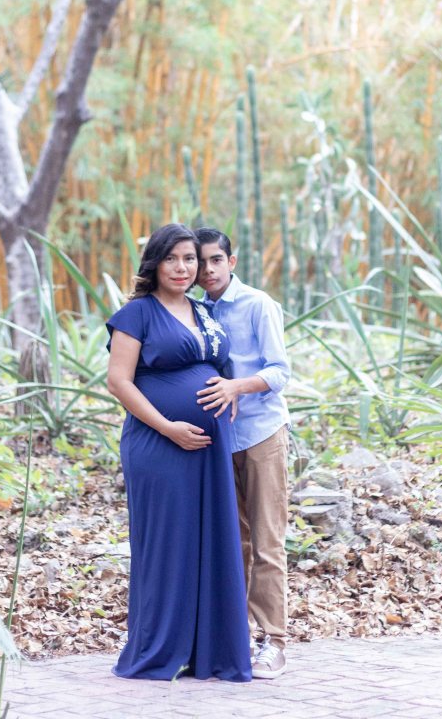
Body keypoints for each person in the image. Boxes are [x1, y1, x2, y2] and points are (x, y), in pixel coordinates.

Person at [106, 223, 251, 682]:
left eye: (190, 259)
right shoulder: (137, 314)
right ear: (156, 262)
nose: (184, 267)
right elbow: (119, 381)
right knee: (168, 545)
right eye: (173, 258)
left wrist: (232, 394)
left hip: (208, 450)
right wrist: (169, 427)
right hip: (158, 444)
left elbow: (223, 368)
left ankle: (207, 651)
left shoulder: (203, 312)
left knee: (211, 542)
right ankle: (158, 649)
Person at [195, 227, 290, 680]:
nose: (208, 270)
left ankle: (274, 639)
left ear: (232, 262)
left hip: (261, 432)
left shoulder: (258, 305)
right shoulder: (193, 311)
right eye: (201, 262)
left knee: (268, 541)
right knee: (234, 543)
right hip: (216, 441)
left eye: (217, 260)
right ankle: (238, 636)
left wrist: (237, 386)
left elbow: (279, 371)